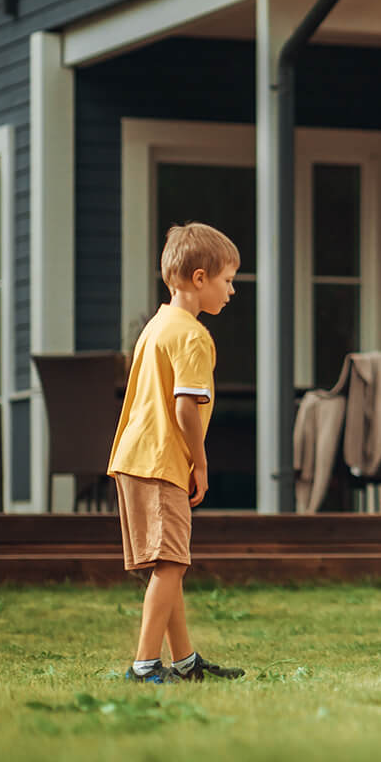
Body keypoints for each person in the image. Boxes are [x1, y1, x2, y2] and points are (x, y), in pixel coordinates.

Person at [106, 222, 247, 684]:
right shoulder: (191, 335)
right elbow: (186, 408)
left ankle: (184, 663)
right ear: (200, 278)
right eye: (228, 280)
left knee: (170, 563)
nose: (232, 291)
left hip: (134, 458)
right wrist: (200, 463)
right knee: (171, 564)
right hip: (161, 462)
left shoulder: (156, 326)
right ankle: (145, 666)